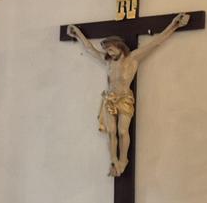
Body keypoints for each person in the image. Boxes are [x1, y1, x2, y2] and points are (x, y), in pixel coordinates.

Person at [66, 13, 190, 177]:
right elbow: (89, 49)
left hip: (124, 99)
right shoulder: (108, 61)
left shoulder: (133, 58)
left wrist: (174, 25)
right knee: (111, 131)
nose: (108, 53)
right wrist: (77, 33)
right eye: (106, 51)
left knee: (122, 131)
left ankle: (123, 160)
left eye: (110, 49)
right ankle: (113, 160)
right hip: (110, 99)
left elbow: (156, 42)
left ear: (119, 47)